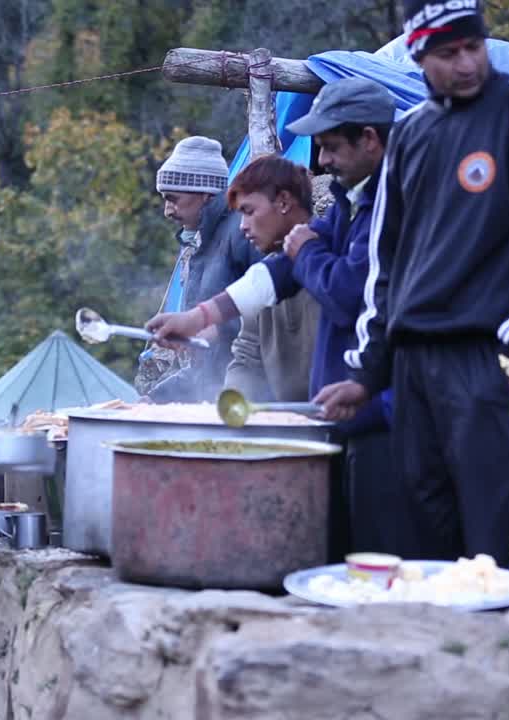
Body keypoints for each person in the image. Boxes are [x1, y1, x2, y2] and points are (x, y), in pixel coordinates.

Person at [315, 1, 509, 576]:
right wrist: (367, 375)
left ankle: (508, 658)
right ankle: (443, 662)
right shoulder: (412, 133)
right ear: (418, 56)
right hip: (415, 370)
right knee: (426, 544)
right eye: (447, 53)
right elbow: (387, 268)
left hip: (490, 361)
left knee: (498, 547)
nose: (466, 64)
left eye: (473, 47)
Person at [148, 78, 414, 556]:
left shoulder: (394, 205)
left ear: (370, 140)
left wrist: (308, 252)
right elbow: (280, 274)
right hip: (339, 423)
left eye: (331, 146)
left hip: (387, 424)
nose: (322, 161)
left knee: (379, 559)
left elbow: (346, 292)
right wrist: (200, 316)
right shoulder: (351, 203)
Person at [138, 136, 262, 402]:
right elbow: (205, 367)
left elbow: (271, 314)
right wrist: (157, 399)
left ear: (205, 193)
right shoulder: (202, 242)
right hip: (215, 396)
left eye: (173, 199)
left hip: (248, 400)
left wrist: (214, 329)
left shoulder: (244, 234)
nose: (167, 211)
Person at [204, 155, 321, 402]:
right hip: (290, 426)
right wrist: (231, 406)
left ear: (283, 202)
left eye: (249, 212)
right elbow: (247, 357)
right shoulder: (261, 278)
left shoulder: (331, 263)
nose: (242, 227)